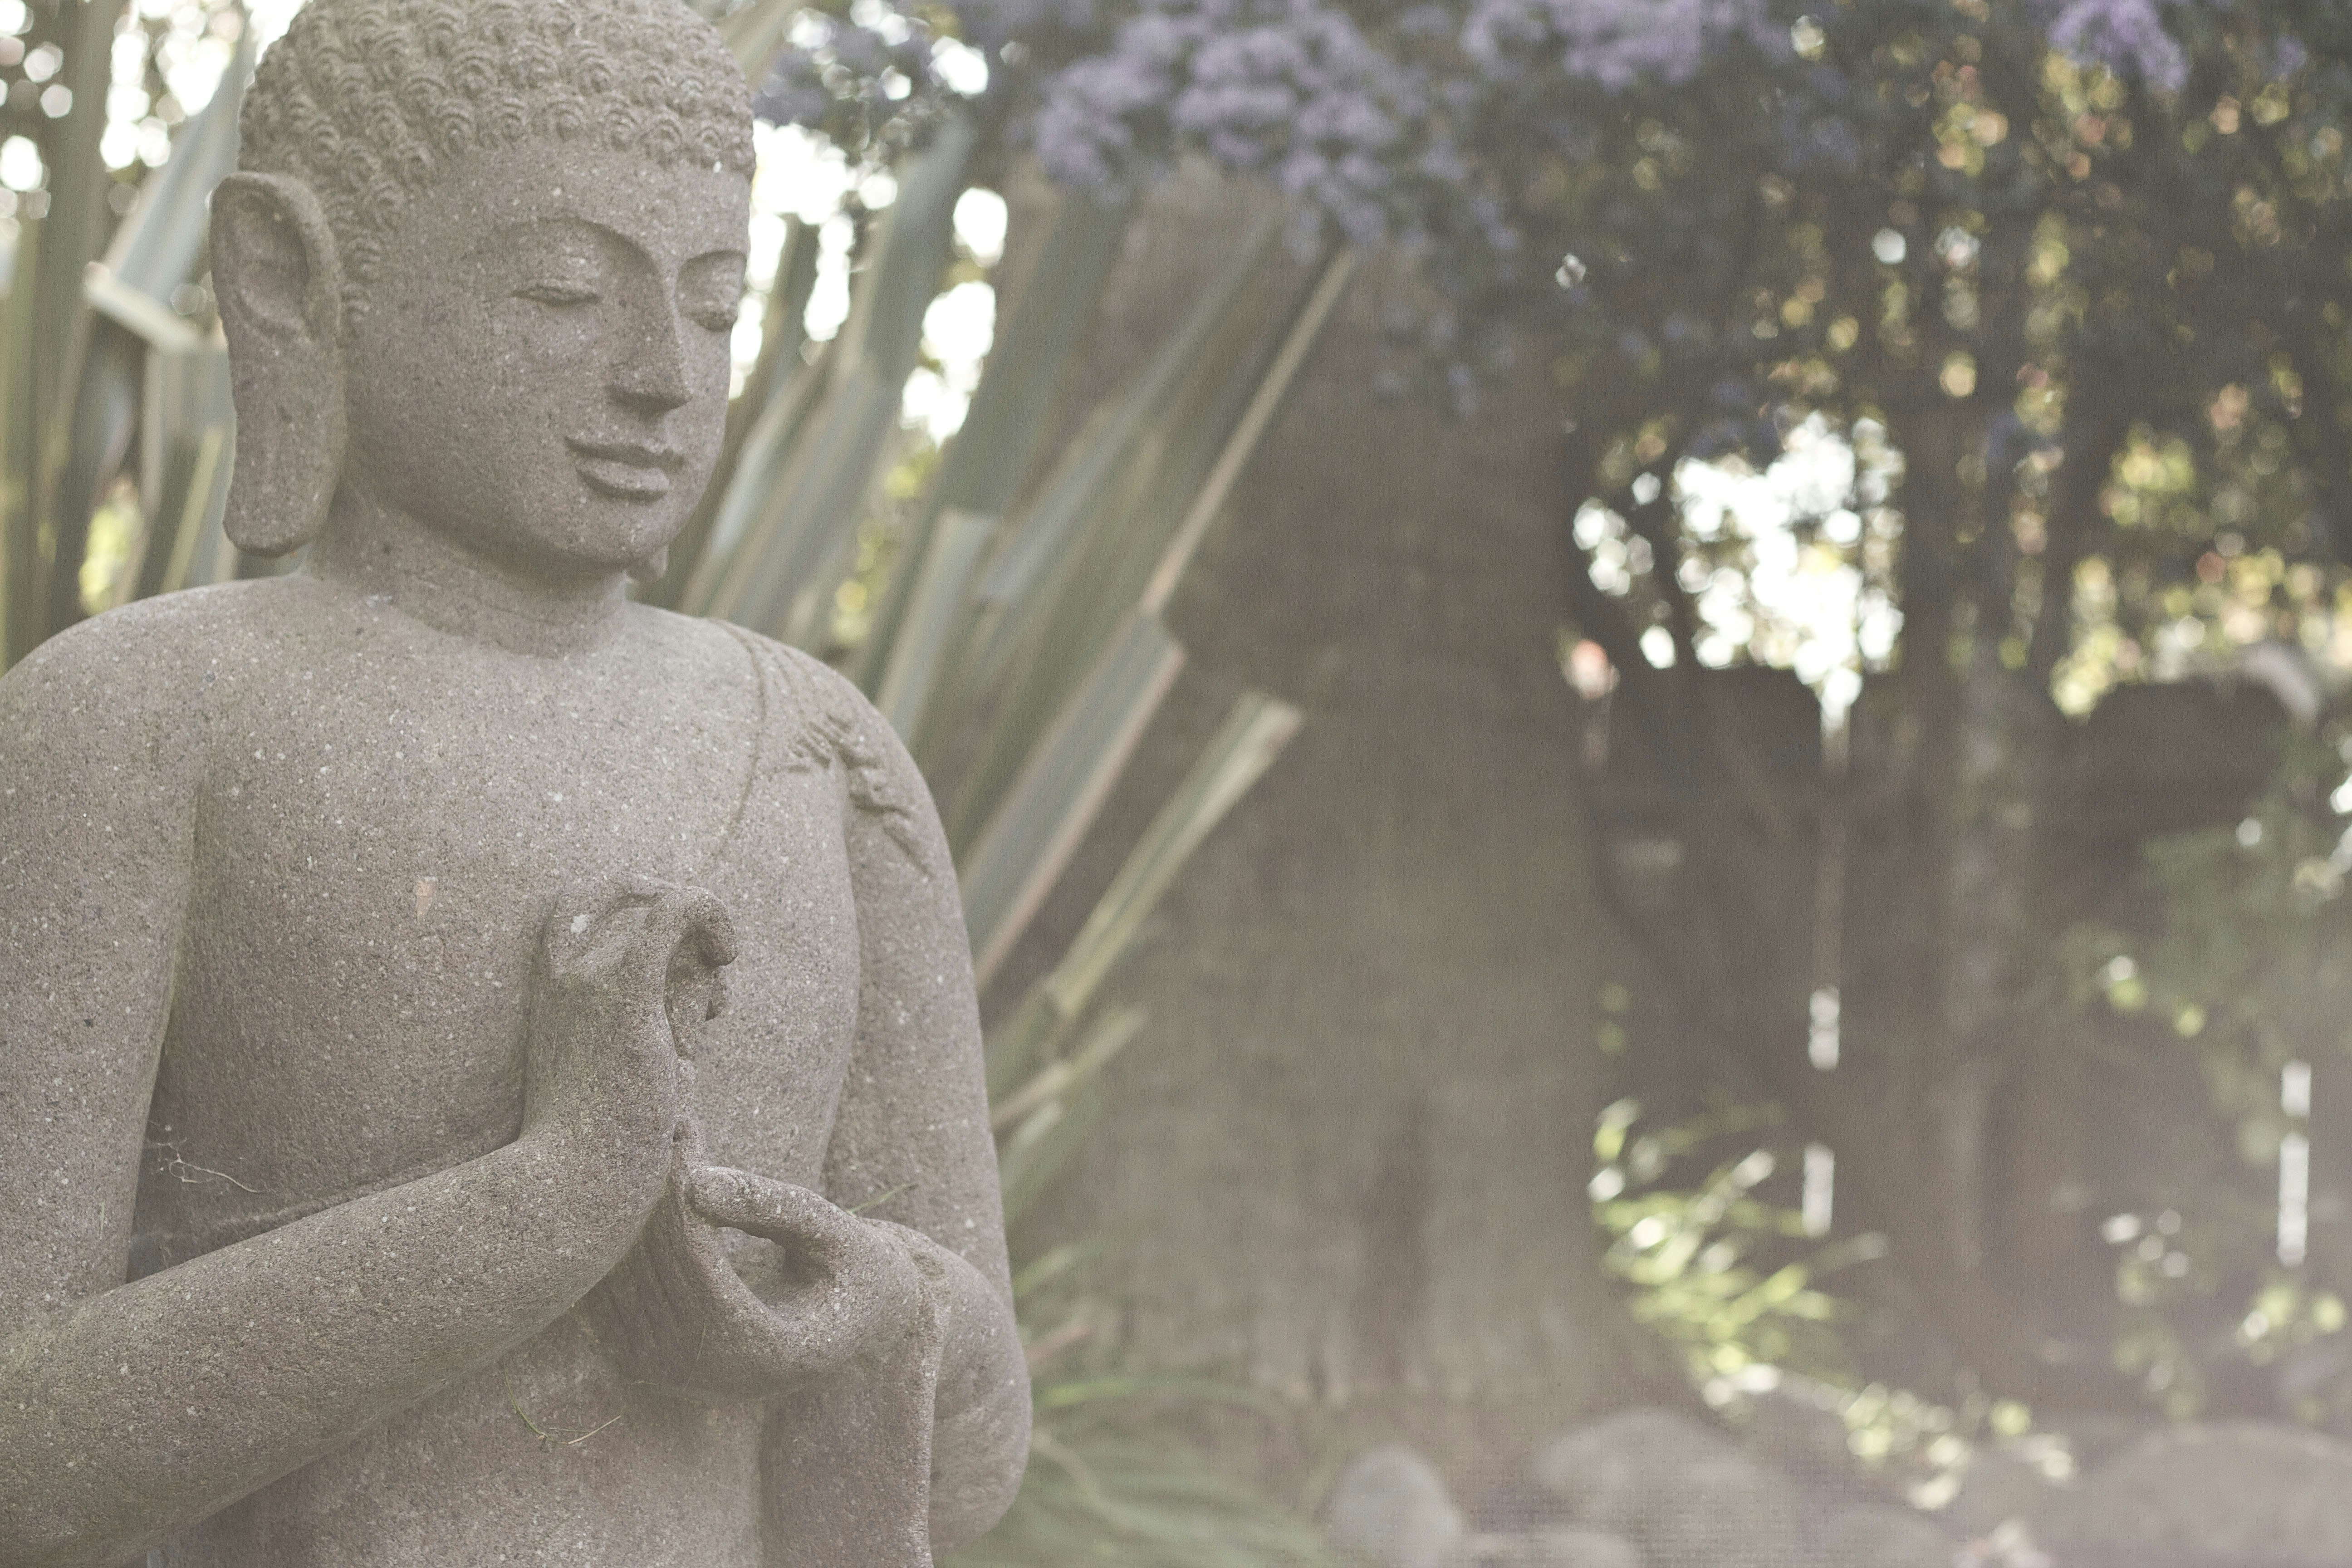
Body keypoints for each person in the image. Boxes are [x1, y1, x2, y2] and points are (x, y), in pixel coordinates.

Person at [0, 2, 1028, 1562]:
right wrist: (551, 1205)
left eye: (713, 301)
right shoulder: (146, 721)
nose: (661, 378)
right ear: (295, 279)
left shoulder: (825, 753)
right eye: (564, 292)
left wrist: (858, 1308)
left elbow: (980, 1448)